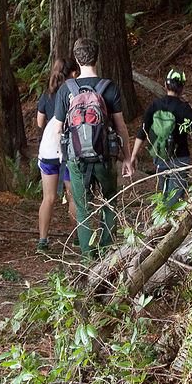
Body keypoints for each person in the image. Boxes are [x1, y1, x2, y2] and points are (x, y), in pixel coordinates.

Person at [51, 37, 131, 258]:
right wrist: (127, 158)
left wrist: (63, 155)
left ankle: (89, 259)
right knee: (109, 202)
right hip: (104, 157)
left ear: (77, 59)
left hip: (76, 159)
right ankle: (107, 254)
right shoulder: (109, 87)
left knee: (83, 207)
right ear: (97, 57)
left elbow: (57, 129)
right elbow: (120, 126)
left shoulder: (66, 90)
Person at [124, 69, 192, 205]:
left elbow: (142, 132)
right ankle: (170, 223)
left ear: (165, 85)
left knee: (165, 194)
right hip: (180, 159)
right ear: (182, 88)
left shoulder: (154, 106)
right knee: (176, 199)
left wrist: (133, 156)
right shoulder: (184, 108)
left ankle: (164, 221)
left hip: (160, 158)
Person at [34, 57, 76, 253]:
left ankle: (43, 240)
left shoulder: (47, 96)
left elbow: (40, 123)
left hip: (48, 150)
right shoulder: (73, 95)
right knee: (73, 197)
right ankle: (77, 237)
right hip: (68, 150)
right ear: (73, 74)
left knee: (48, 198)